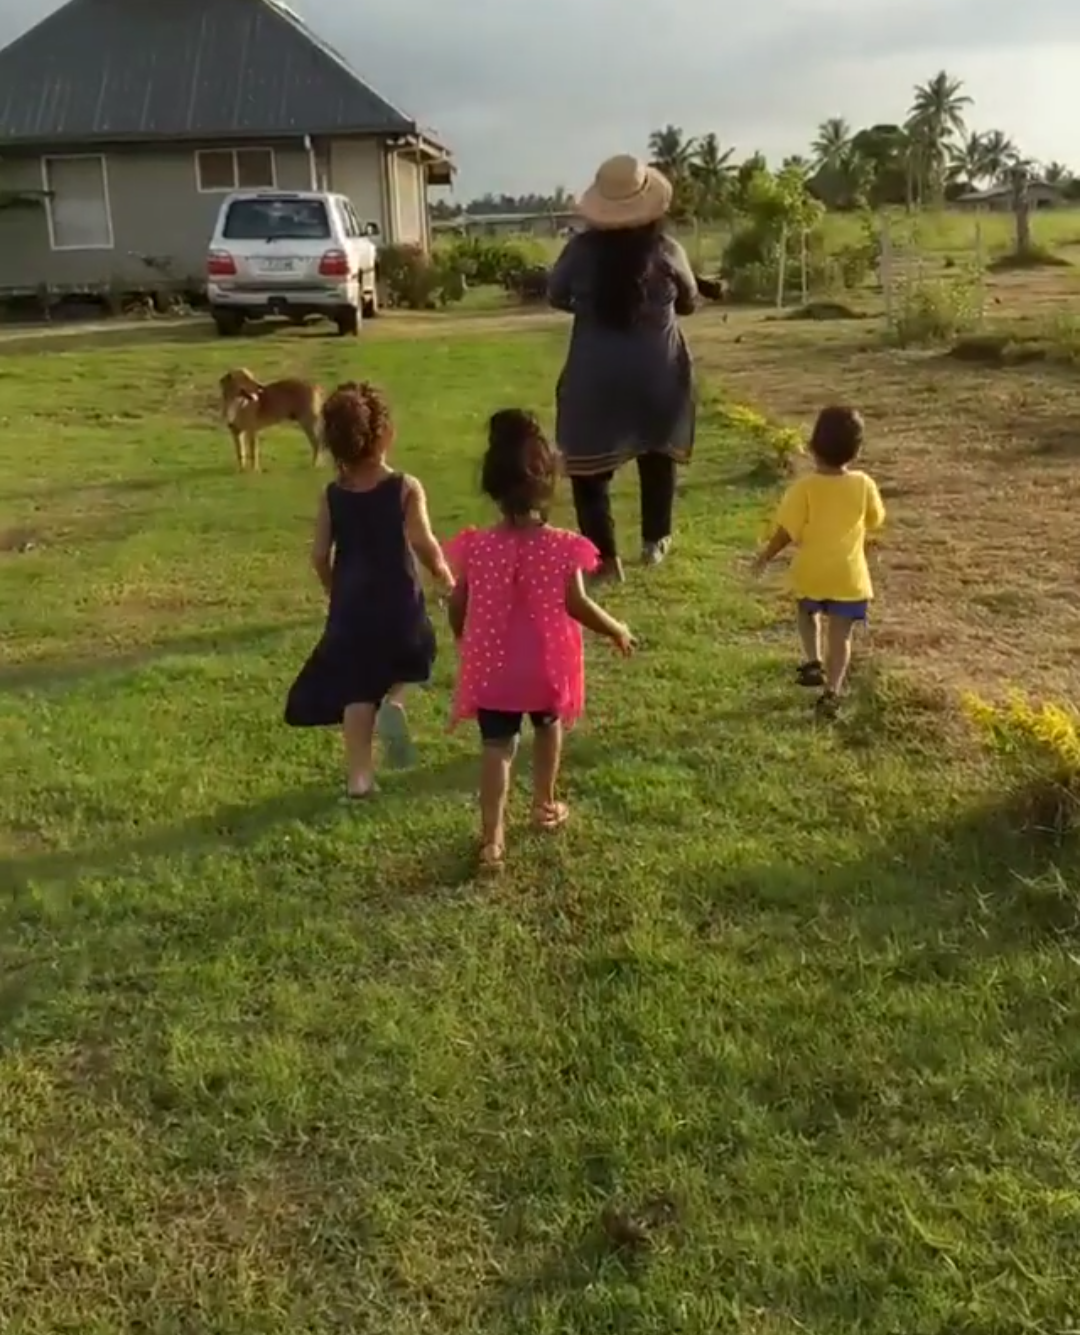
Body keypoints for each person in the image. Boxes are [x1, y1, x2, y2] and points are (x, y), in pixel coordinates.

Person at [445, 409, 635, 872]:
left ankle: (491, 840)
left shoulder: (476, 547)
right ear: (548, 482)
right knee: (548, 730)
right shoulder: (563, 545)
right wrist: (617, 628)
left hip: (494, 672)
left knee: (497, 749)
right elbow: (578, 604)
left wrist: (461, 637)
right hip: (545, 670)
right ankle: (544, 805)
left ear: (493, 484)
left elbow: (457, 603)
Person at [284, 381, 454, 796]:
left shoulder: (333, 496)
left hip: (352, 609)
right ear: (386, 435)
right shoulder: (405, 488)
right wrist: (443, 574)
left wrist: (333, 590)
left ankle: (360, 778)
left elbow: (319, 555)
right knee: (420, 653)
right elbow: (422, 541)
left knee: (357, 689)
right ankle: (395, 700)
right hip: (399, 604)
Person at [548, 154, 699, 582]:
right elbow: (688, 300)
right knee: (656, 455)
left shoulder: (579, 252)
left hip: (595, 375)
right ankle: (655, 542)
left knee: (589, 470)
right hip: (659, 373)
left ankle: (604, 559)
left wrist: (587, 303)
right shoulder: (668, 251)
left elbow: (555, 295)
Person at [752, 405, 886, 718]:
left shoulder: (804, 488)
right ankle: (833, 692)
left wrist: (765, 557)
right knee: (841, 636)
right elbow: (876, 519)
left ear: (813, 447)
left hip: (811, 574)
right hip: (849, 577)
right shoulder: (864, 484)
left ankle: (813, 661)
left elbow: (786, 532)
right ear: (857, 449)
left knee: (806, 610)